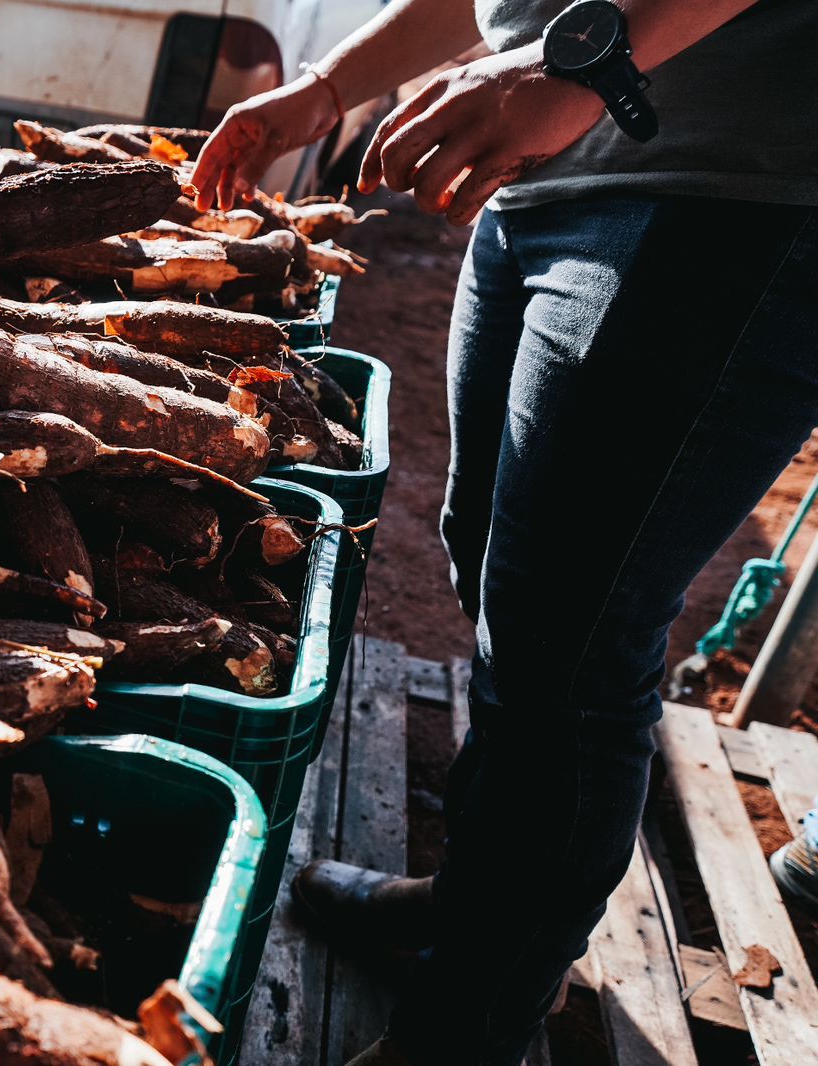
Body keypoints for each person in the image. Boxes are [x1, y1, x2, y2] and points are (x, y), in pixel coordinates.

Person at [187, 0, 818, 1062]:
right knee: (492, 568)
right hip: (546, 186)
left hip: (722, 195)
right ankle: (482, 909)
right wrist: (329, 89)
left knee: (568, 652)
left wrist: (587, 63)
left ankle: (466, 1030)